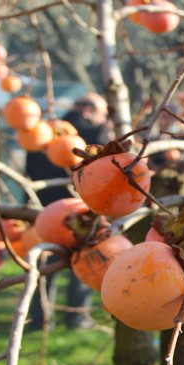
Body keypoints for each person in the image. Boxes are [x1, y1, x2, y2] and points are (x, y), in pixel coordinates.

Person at [26, 92, 110, 330]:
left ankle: (38, 318)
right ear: (87, 110)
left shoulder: (41, 134)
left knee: (44, 267)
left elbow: (29, 172)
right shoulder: (83, 136)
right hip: (76, 210)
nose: (103, 120)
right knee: (82, 263)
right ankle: (77, 317)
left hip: (43, 210)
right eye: (102, 115)